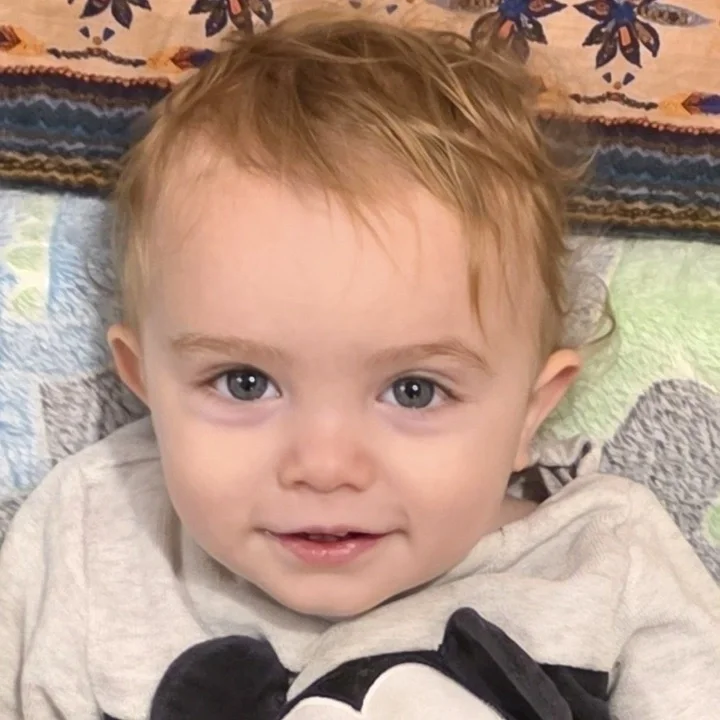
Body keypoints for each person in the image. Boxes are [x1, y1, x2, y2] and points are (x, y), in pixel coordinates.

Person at [0, 10, 718, 719]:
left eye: (414, 391)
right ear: (143, 379)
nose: (324, 467)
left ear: (531, 410)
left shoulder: (603, 563)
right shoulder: (93, 534)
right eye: (244, 383)